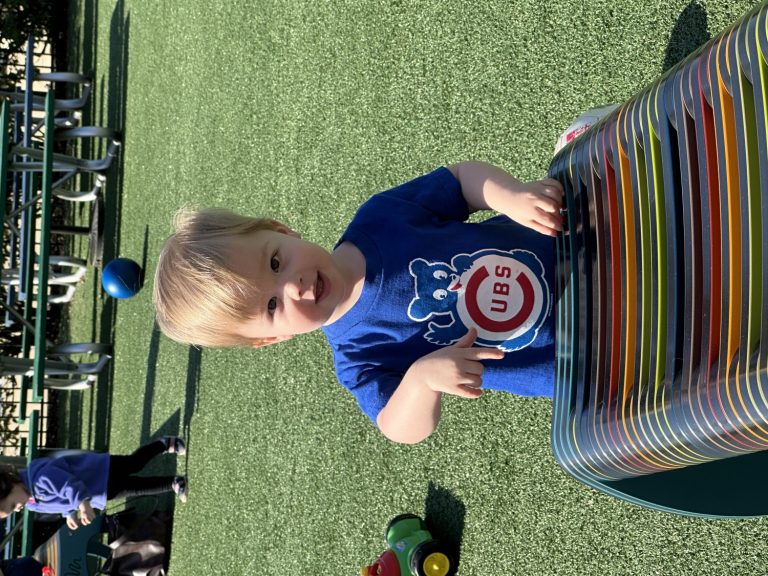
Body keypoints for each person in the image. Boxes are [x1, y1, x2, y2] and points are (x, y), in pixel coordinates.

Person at [153, 161, 563, 444]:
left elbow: (459, 182)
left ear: (282, 230)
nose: (294, 286)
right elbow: (397, 427)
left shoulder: (381, 219)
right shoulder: (358, 357)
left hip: (572, 242)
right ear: (272, 338)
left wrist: (511, 196)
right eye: (272, 306)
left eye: (275, 262)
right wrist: (421, 381)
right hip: (576, 360)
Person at [0, 437, 188, 529]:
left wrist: (83, 505)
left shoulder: (40, 479)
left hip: (100, 471)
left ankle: (165, 444)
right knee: (136, 488)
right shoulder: (32, 504)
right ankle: (172, 483)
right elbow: (62, 502)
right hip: (98, 492)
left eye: (13, 504)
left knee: (135, 463)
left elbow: (69, 486)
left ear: (9, 484)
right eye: (13, 510)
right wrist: (69, 514)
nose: (18, 508)